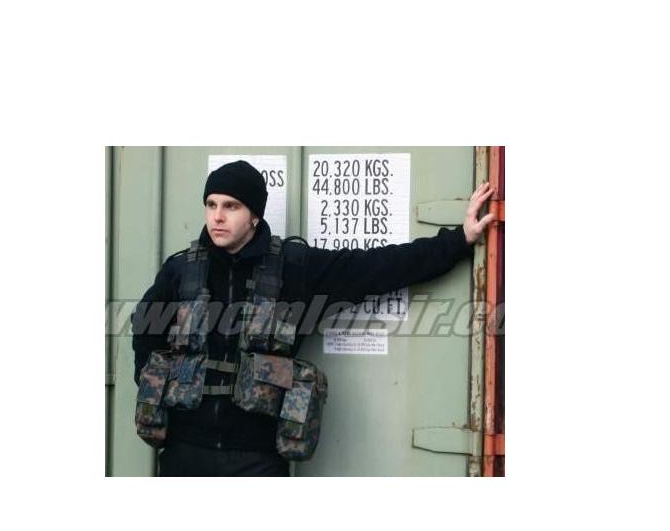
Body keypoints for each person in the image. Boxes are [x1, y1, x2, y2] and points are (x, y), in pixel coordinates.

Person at [132, 159, 494, 476]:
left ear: (255, 215)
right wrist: (157, 387)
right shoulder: (180, 270)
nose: (218, 216)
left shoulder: (295, 268)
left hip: (257, 458)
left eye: (231, 206)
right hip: (183, 452)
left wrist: (458, 240)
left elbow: (377, 268)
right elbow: (145, 329)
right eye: (211, 204)